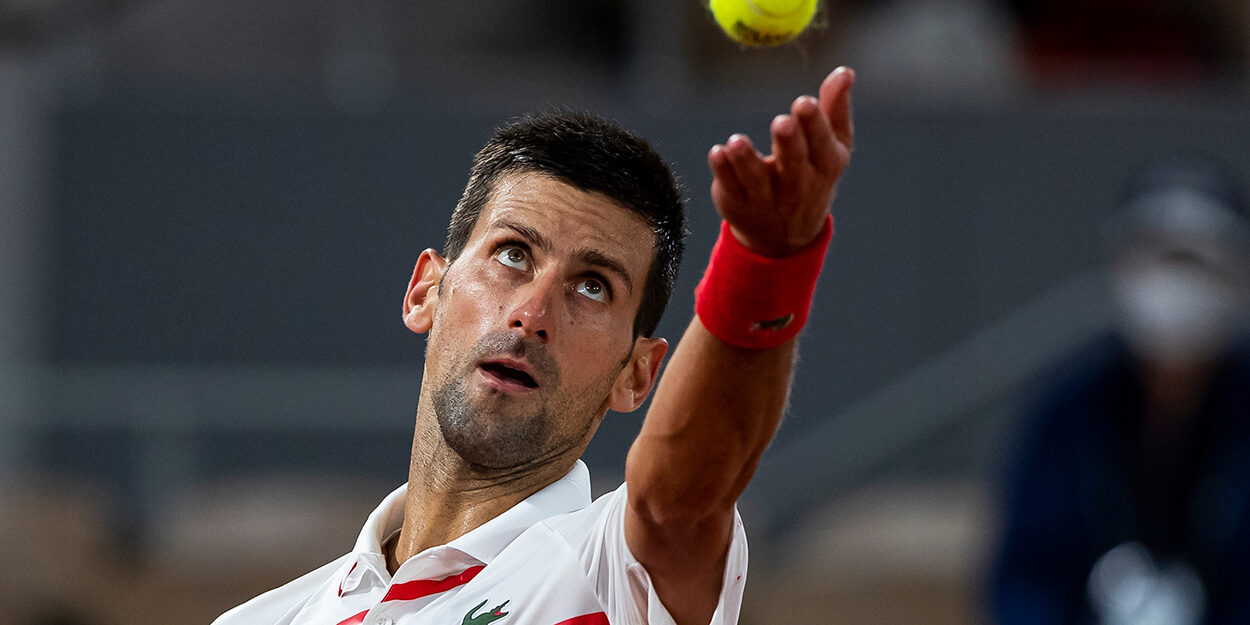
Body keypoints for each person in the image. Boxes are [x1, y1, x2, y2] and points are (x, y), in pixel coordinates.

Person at [214, 66, 856, 625]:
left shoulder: (610, 577)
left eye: (594, 287)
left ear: (635, 375)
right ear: (425, 293)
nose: (533, 314)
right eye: (513, 254)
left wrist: (766, 266)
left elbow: (675, 507)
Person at [990, 161, 1250, 625]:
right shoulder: (1066, 414)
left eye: (1196, 261)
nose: (1175, 285)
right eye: (1157, 257)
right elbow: (1021, 578)